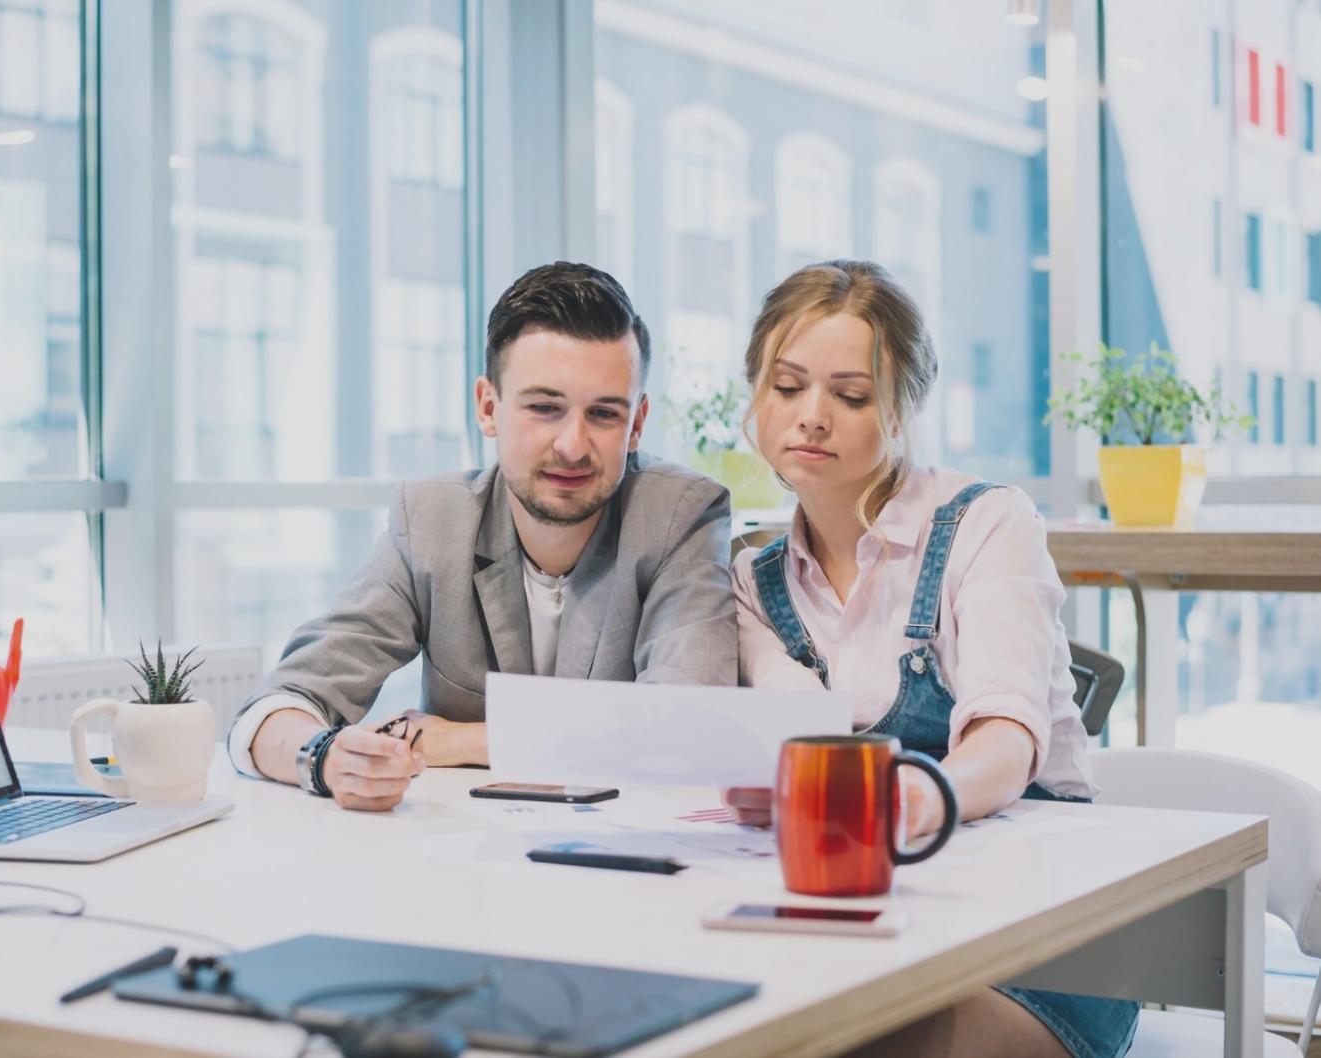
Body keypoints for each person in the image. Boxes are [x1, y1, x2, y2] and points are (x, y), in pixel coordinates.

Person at [728, 260, 1138, 1058]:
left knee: (846, 1036)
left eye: (850, 395)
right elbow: (795, 734)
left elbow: (1005, 742)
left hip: (1036, 943)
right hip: (865, 924)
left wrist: (917, 797)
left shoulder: (988, 524)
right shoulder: (752, 580)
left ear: (904, 409)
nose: (811, 417)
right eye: (786, 387)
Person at [227, 262, 737, 811]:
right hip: (463, 860)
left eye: (604, 414)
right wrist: (325, 758)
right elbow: (276, 707)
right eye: (544, 408)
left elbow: (691, 728)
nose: (572, 444)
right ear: (488, 407)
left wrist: (464, 739)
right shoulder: (429, 520)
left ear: (636, 424)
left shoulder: (680, 515)